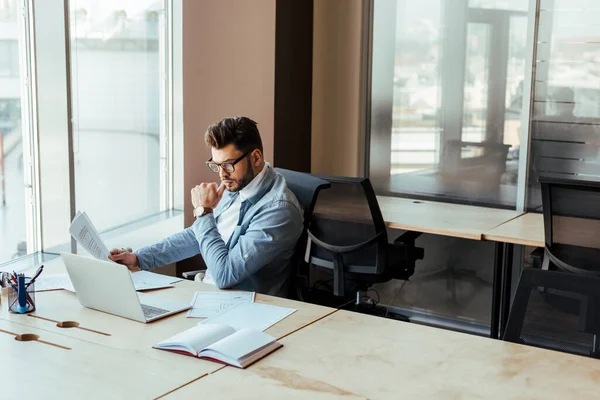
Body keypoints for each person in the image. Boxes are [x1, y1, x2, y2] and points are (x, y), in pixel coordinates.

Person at [109, 116, 303, 297]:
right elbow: (196, 236)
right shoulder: (235, 183)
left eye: (228, 164)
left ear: (256, 158)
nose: (221, 174)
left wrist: (203, 212)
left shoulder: (279, 210)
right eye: (216, 165)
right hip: (208, 294)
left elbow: (225, 275)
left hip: (246, 308)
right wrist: (138, 258)